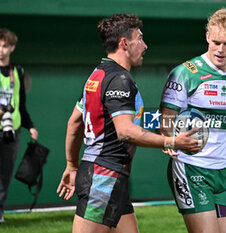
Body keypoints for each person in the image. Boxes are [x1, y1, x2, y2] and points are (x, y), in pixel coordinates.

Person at [56, 14, 201, 233]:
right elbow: (125, 131)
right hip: (104, 176)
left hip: (108, 176)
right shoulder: (121, 80)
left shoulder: (97, 75)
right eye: (140, 39)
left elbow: (74, 124)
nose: (145, 45)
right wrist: (172, 142)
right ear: (125, 43)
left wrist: (72, 165)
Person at [160, 8, 226, 233]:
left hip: (223, 173)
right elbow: (166, 116)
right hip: (191, 169)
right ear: (207, 37)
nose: (220, 49)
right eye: (215, 42)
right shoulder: (184, 73)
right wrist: (168, 139)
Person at [0, 28, 38, 224]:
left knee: (5, 174)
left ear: (12, 47)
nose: (0, 49)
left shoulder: (18, 72)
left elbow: (21, 103)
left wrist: (29, 125)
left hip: (12, 131)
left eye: (5, 45)